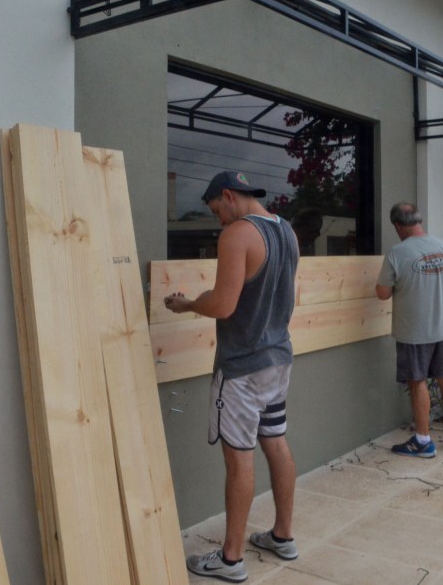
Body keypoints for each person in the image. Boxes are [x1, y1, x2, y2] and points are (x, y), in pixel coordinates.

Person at [165, 170, 300, 583]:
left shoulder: (238, 234)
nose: (218, 220)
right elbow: (288, 293)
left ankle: (230, 560)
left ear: (228, 196)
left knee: (239, 458)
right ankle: (282, 536)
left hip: (242, 369)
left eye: (216, 210)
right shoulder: (286, 231)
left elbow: (223, 305)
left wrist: (187, 304)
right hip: (278, 359)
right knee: (275, 443)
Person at [375, 202, 443, 458]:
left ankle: (423, 441)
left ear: (397, 225)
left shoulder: (397, 253)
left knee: (418, 383)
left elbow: (382, 294)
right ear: (419, 220)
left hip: (416, 332)